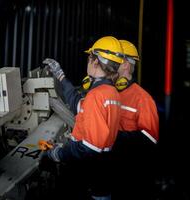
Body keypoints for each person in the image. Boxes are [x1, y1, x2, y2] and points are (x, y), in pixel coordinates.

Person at [41, 36, 124, 200]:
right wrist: (61, 77)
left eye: (89, 58)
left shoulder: (96, 96)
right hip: (102, 175)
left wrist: (59, 153)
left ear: (95, 62)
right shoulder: (111, 92)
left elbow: (89, 148)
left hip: (90, 177)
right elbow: (78, 104)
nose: (88, 62)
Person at [112, 40, 159, 200]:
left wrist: (112, 137)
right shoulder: (106, 91)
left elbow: (149, 139)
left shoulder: (143, 99)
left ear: (125, 64)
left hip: (131, 179)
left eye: (114, 60)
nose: (108, 64)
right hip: (108, 174)